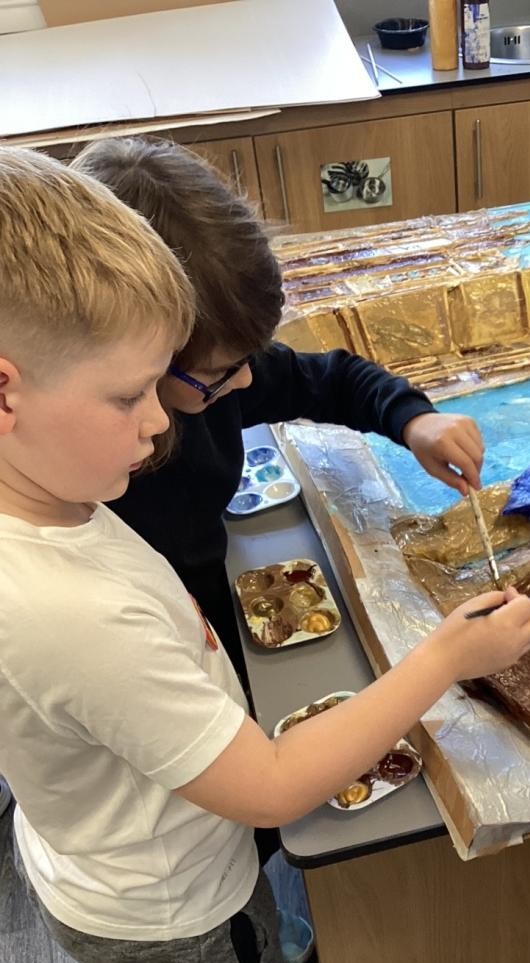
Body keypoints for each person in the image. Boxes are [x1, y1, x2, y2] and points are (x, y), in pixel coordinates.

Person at [0, 148, 530, 963]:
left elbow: (309, 378)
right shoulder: (70, 613)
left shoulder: (57, 495)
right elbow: (274, 790)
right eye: (135, 395)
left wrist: (410, 415)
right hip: (162, 899)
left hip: (138, 849)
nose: (161, 424)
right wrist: (444, 657)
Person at [71, 136, 486, 680]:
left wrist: (414, 419)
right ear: (144, 355)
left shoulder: (211, 372)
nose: (246, 380)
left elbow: (332, 379)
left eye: (249, 358)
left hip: (213, 598)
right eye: (221, 372)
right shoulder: (92, 475)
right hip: (166, 645)